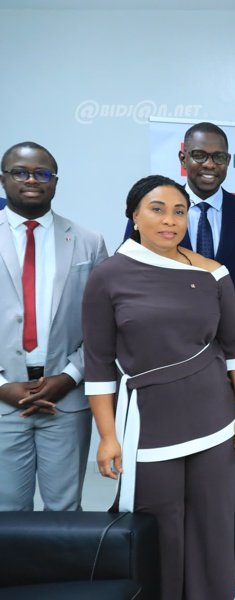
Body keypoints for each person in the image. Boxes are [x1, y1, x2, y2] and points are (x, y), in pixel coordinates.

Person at [83, 175, 235, 600]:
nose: (170, 220)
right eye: (157, 210)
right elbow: (98, 364)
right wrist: (108, 436)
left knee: (213, 526)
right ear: (134, 216)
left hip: (215, 421)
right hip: (147, 426)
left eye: (179, 212)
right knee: (159, 527)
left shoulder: (213, 272)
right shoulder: (108, 276)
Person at [0, 141, 107, 511]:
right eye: (20, 172)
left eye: (42, 173)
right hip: (2, 400)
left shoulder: (88, 242)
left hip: (65, 398)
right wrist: (2, 386)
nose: (32, 180)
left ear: (55, 181)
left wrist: (70, 376)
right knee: (6, 513)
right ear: (3, 179)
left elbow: (104, 325)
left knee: (65, 514)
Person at [124, 121, 235, 300]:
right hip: (166, 314)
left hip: (232, 316)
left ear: (228, 161)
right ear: (183, 159)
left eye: (219, 157)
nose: (209, 164)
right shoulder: (150, 212)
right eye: (199, 155)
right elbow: (127, 271)